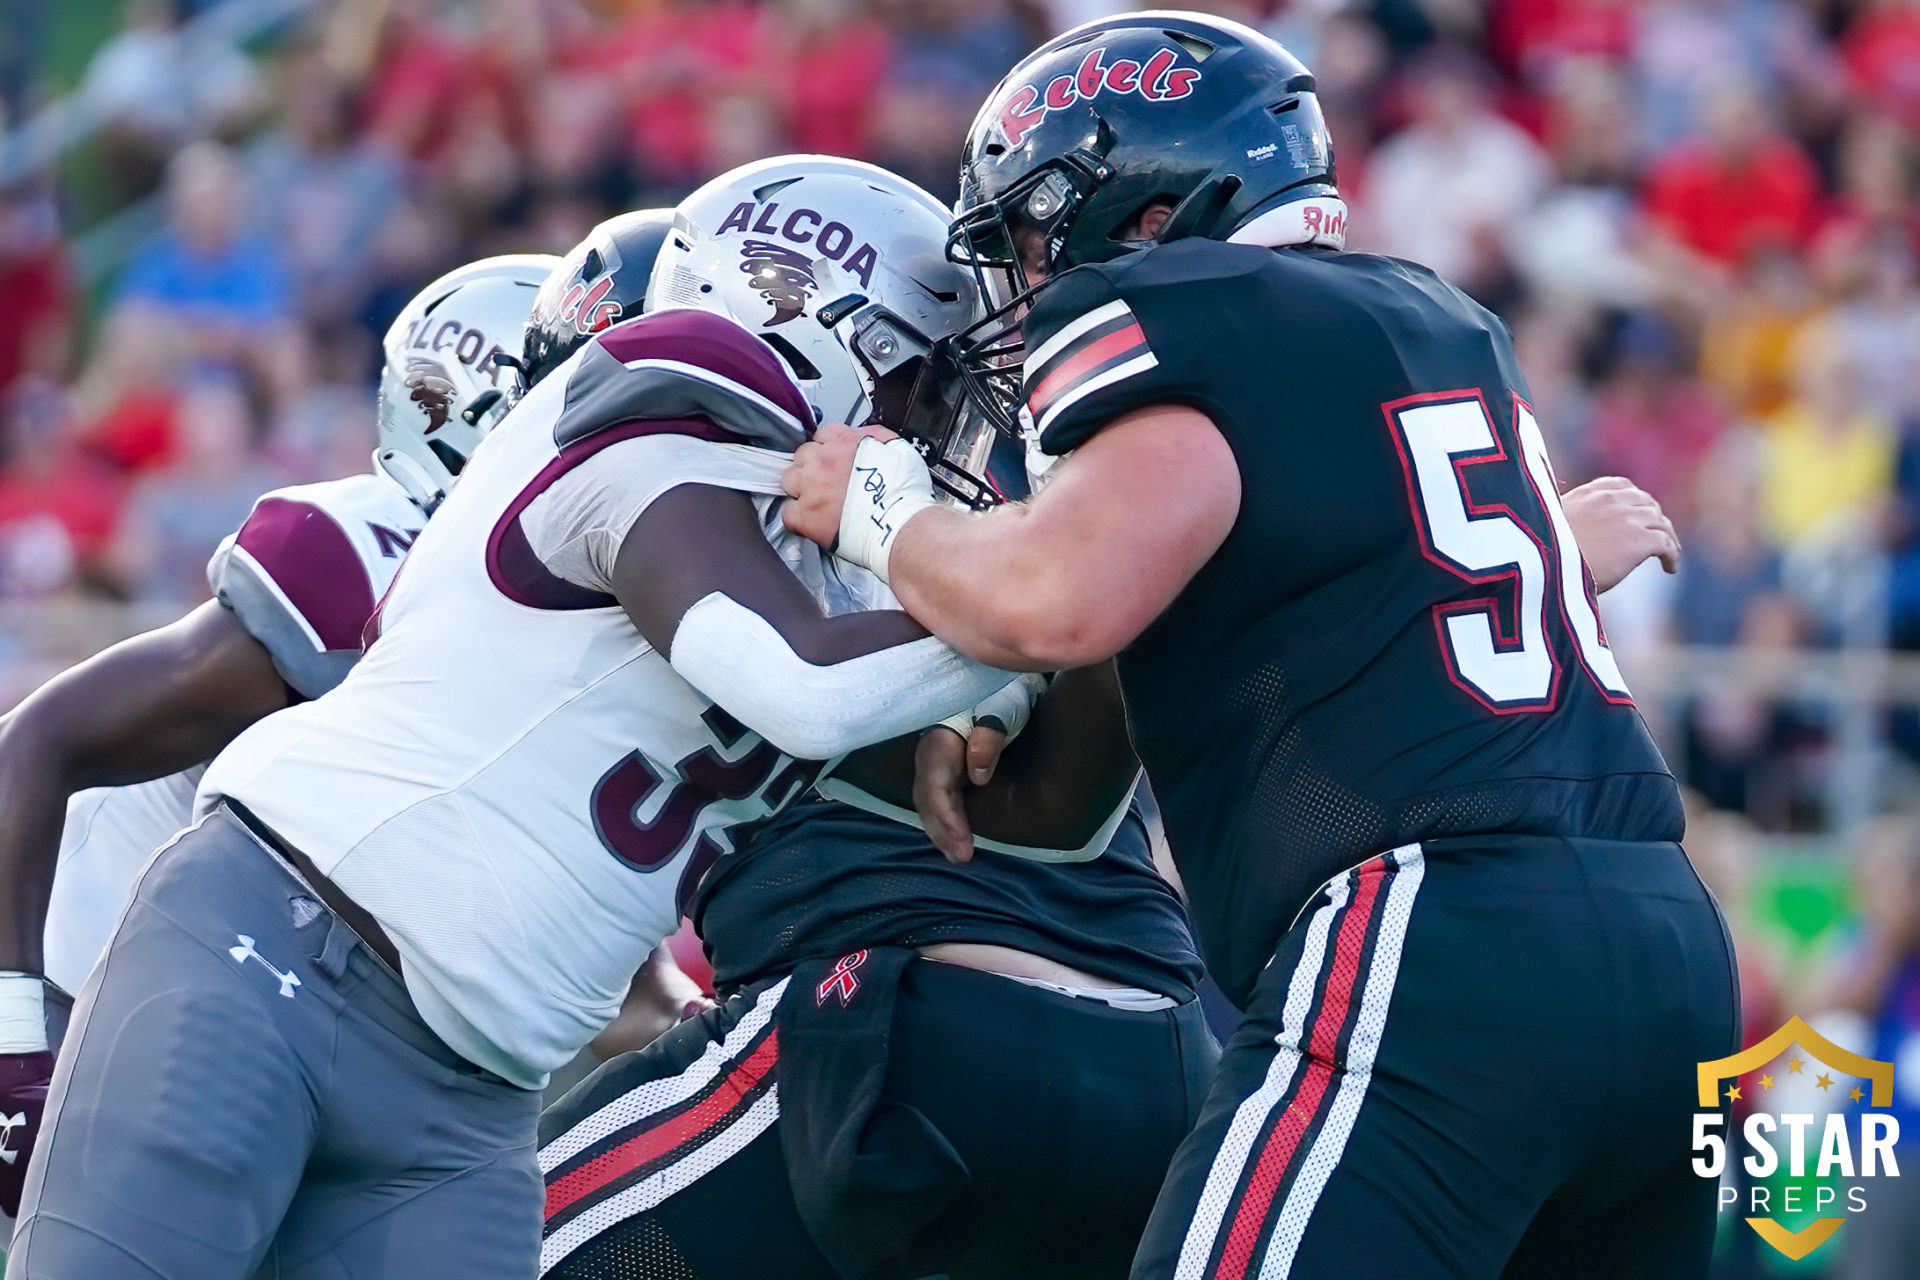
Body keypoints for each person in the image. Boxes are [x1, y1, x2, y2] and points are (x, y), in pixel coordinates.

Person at [781, 14, 1735, 1279]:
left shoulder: (1189, 307)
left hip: (1443, 941)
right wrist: (1008, 690)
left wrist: (883, 506)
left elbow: (1055, 594)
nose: (1016, 287)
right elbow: (1106, 726)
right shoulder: (1434, 313)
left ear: (1142, 217)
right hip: (1666, 945)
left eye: (1025, 234)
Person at [5, 158, 1025, 1280]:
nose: (942, 421)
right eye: (927, 379)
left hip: (472, 1096)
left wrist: (1004, 665)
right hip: (278, 949)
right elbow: (808, 680)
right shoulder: (656, 414)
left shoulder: (824, 564)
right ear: (816, 334)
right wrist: (1049, 608)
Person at [534, 171, 1213, 1280]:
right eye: (932, 371)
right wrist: (1011, 657)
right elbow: (1064, 802)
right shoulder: (1006, 541)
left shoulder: (685, 524)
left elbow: (801, 695)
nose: (959, 403)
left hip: (902, 1033)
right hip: (1165, 1059)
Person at [0, 253, 557, 1219]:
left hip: (270, 1040)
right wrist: (11, 1043)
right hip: (86, 992)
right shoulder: (366, 557)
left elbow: (635, 990)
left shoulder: (554, 625)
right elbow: (34, 739)